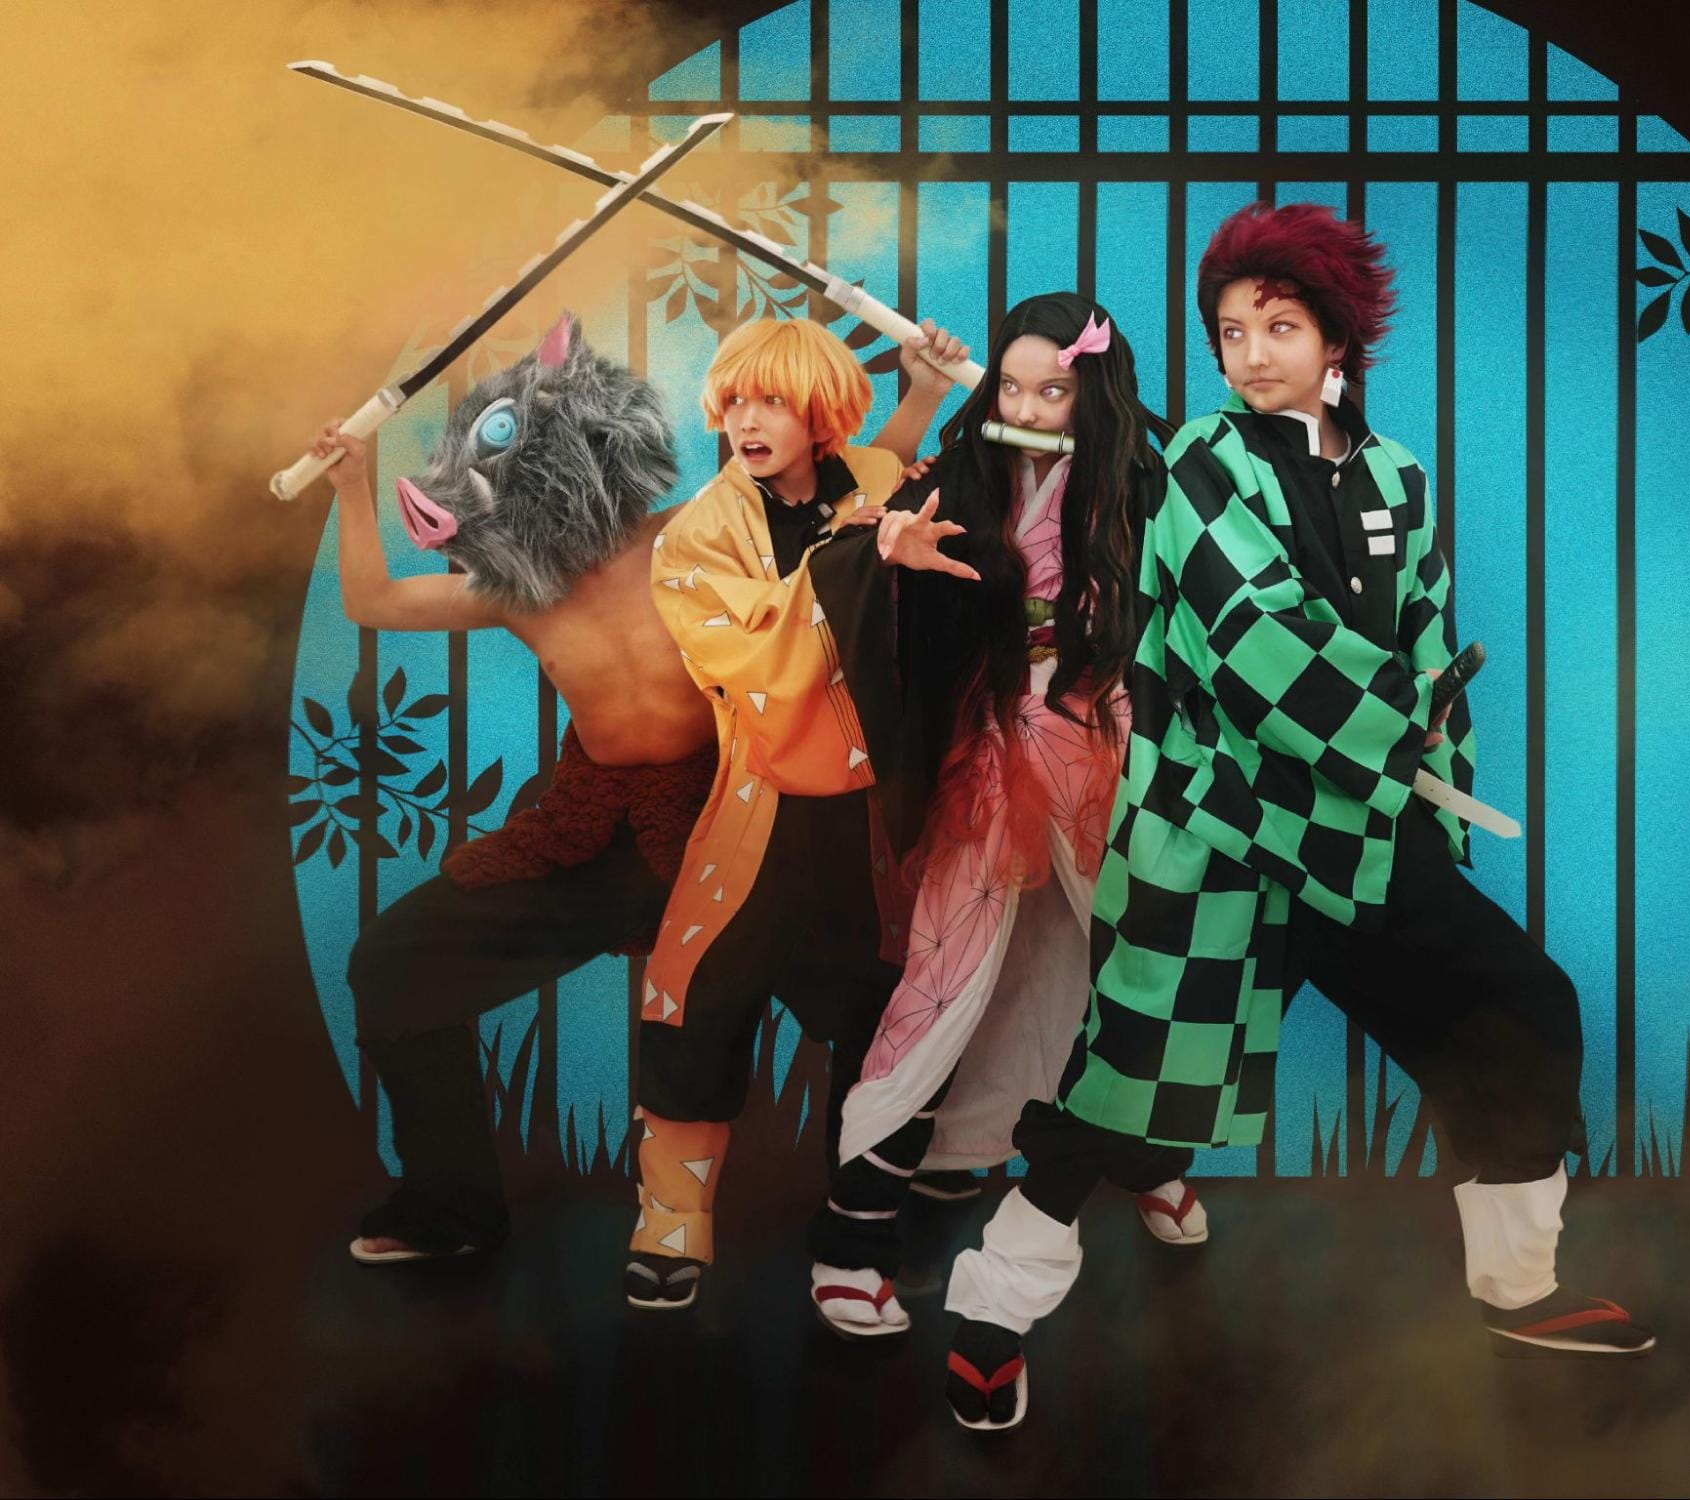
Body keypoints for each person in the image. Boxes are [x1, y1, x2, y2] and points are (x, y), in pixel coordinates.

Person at [941, 202, 1653, 1433]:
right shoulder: (1198, 465)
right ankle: (989, 1312)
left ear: (1338, 339)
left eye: (1278, 326)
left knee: (1521, 1010)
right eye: (1229, 331)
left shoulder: (1396, 477)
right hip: (1222, 829)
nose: (1251, 353)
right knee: (1126, 1096)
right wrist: (1398, 732)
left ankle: (1517, 1288)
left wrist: (1427, 786)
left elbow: (1429, 646)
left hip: (1359, 835)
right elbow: (1252, 637)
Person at [309, 312, 956, 1266]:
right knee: (392, 965)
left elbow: (851, 491)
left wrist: (924, 394)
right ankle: (451, 1208)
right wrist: (350, 486)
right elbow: (372, 602)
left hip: (737, 824)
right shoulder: (515, 589)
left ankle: (868, 1220)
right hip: (594, 836)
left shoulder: (696, 535)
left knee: (872, 1001)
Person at [810, 292, 1205, 1249]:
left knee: (1134, 958)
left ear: (1093, 393)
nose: (1025, 410)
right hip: (990, 736)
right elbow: (842, 551)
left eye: (1052, 393)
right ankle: (859, 1221)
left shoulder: (1152, 481)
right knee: (945, 965)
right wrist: (888, 547)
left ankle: (1151, 1160)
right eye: (1012, 389)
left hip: (1107, 740)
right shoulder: (964, 470)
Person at [628, 314, 981, 1335]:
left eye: (773, 401)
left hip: (872, 824)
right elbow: (758, 663)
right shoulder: (694, 537)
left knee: (880, 1019)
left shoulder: (868, 476)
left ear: (820, 414)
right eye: (734, 401)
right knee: (696, 1006)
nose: (746, 421)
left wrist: (924, 389)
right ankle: (670, 1225)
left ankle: (855, 1233)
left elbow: (883, 470)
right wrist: (866, 550)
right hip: (760, 816)